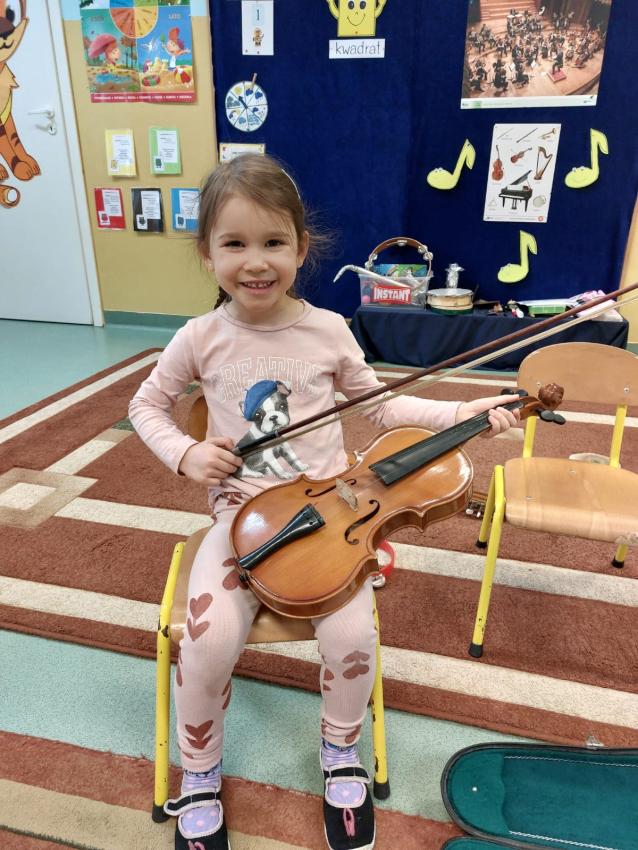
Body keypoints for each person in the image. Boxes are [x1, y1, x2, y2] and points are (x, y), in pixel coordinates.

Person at [128, 154, 520, 850]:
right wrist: (185, 453)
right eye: (234, 243)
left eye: (273, 242)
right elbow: (146, 406)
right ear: (208, 252)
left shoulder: (330, 329)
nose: (256, 262)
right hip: (241, 516)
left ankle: (341, 750)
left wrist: (464, 413)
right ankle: (200, 770)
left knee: (353, 636)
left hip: (335, 517)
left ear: (301, 248)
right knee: (207, 639)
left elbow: (384, 406)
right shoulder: (199, 337)